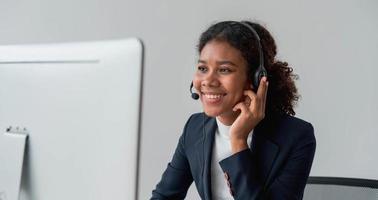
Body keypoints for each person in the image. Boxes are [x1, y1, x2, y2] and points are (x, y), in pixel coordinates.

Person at [151, 20, 316, 200]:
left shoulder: (296, 137)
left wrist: (238, 141)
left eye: (224, 70)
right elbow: (164, 197)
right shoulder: (195, 128)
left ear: (256, 78)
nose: (208, 81)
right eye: (202, 68)